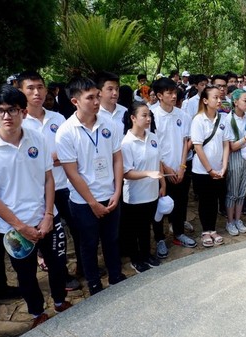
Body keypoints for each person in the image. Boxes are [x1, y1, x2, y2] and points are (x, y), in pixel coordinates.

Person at [0, 85, 71, 329]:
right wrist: (21, 226)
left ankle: (60, 301)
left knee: (58, 265)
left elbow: (48, 177)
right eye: (0, 111)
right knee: (26, 275)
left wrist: (49, 214)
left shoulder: (36, 138)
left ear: (23, 112)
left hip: (46, 218)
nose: (6, 116)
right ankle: (37, 311)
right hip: (13, 228)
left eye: (12, 110)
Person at [56, 77, 126, 295]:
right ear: (75, 101)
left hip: (110, 194)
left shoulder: (110, 124)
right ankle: (94, 283)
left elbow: (117, 158)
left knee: (112, 239)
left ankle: (116, 276)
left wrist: (117, 190)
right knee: (88, 243)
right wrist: (92, 202)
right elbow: (71, 172)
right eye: (90, 98)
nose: (96, 101)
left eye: (97, 96)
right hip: (83, 201)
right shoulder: (66, 131)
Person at [18, 70, 81, 290]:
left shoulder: (58, 118)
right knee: (49, 235)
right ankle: (60, 275)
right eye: (30, 88)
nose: (37, 92)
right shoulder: (20, 123)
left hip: (65, 184)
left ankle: (83, 267)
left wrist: (57, 158)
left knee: (76, 228)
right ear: (21, 91)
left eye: (40, 87)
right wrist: (51, 158)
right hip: (38, 190)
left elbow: (71, 149)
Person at [152, 77, 197, 254]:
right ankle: (159, 239)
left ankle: (178, 233)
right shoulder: (151, 115)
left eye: (174, 92)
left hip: (180, 168)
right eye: (169, 93)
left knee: (180, 202)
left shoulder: (183, 115)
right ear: (159, 95)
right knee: (159, 206)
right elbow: (152, 146)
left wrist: (181, 166)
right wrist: (165, 168)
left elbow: (186, 142)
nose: (173, 95)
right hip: (160, 170)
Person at [121, 102, 164, 273]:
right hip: (134, 195)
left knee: (146, 226)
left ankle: (146, 254)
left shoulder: (152, 137)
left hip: (152, 192)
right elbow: (126, 172)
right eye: (144, 115)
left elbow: (158, 161)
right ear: (133, 118)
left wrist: (163, 184)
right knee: (134, 229)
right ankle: (135, 258)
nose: (148, 119)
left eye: (150, 115)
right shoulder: (127, 143)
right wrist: (147, 174)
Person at [190, 86, 229, 247]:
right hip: (202, 170)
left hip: (219, 169)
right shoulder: (198, 120)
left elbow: (226, 144)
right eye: (215, 98)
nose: (219, 100)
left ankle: (212, 229)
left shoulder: (223, 119)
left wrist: (224, 166)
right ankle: (205, 231)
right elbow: (198, 147)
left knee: (214, 200)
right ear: (205, 100)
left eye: (220, 97)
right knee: (205, 200)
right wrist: (209, 170)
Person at [223, 89, 246, 235]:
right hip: (234, 158)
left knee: (243, 191)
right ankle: (230, 221)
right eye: (245, 100)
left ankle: (238, 219)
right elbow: (232, 147)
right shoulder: (228, 120)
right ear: (235, 102)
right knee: (232, 192)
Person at [93, 71, 128, 144]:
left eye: (117, 89)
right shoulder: (94, 114)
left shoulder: (125, 111)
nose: (115, 93)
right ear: (99, 92)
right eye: (110, 89)